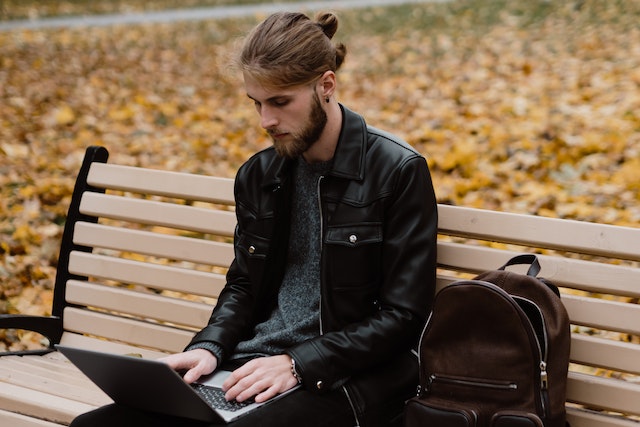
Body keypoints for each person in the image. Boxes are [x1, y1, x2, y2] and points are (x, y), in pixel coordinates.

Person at [70, 10, 437, 427]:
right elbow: (245, 284)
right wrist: (210, 347)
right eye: (257, 104)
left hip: (344, 378)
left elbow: (404, 316)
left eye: (280, 102)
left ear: (326, 85)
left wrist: (297, 363)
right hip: (251, 367)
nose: (266, 121)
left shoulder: (396, 170)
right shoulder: (261, 175)